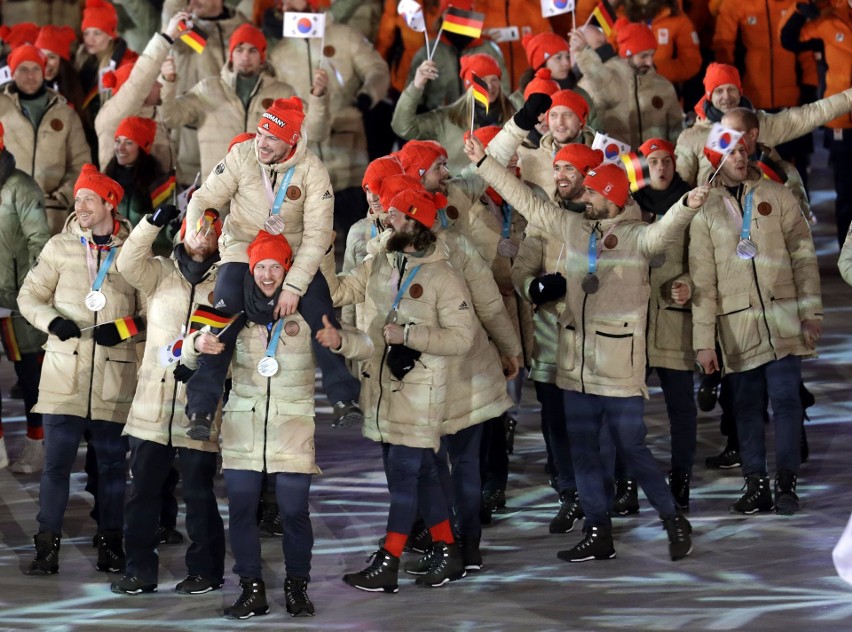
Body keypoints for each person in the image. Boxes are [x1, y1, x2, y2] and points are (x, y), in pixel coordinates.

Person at [465, 120, 700, 562]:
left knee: (633, 448)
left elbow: (667, 229)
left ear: (611, 198)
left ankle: (672, 519)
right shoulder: (574, 228)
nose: (584, 198)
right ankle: (598, 531)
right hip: (575, 367)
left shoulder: (636, 237)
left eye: (592, 194)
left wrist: (688, 202)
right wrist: (482, 162)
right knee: (584, 451)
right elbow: (526, 202)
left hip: (619, 369)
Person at [184, 230, 372, 617]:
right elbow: (186, 357)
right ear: (250, 270)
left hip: (292, 423)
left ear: (288, 270)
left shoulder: (305, 310)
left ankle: (297, 587)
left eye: (275, 267)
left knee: (293, 511)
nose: (267, 276)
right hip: (243, 425)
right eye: (260, 268)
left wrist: (341, 342)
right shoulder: (234, 312)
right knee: (241, 511)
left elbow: (364, 345)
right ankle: (251, 588)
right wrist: (195, 345)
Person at [183, 97, 361, 439]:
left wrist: (293, 287)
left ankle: (343, 400)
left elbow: (317, 237)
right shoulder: (241, 154)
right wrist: (194, 229)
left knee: (321, 309)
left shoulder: (313, 171)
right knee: (222, 310)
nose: (261, 143)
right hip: (242, 248)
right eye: (261, 133)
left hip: (292, 254)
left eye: (271, 138)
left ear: (291, 141)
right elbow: (203, 199)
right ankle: (201, 408)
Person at [325, 188, 475, 592]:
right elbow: (339, 291)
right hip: (384, 390)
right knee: (423, 472)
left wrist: (410, 334)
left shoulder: (443, 275)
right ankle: (448, 551)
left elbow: (463, 337)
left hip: (421, 392)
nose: (386, 219)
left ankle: (389, 560)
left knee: (405, 473)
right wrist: (322, 252)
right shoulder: (380, 262)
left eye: (394, 215)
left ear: (414, 222)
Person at [18, 164, 142, 575]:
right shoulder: (60, 246)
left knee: (110, 467)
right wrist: (52, 322)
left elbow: (153, 312)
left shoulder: (133, 253)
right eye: (77, 199)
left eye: (89, 198)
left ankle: (111, 543)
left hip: (114, 377)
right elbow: (29, 295)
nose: (80, 206)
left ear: (110, 203)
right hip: (63, 377)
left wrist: (124, 328)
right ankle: (46, 547)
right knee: (55, 466)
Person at [690, 140, 822, 516]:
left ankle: (786, 485)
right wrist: (704, 343)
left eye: (742, 151)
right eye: (730, 153)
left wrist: (812, 311)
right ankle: (755, 484)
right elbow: (702, 281)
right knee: (746, 408)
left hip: (783, 318)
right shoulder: (703, 210)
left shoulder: (775, 195)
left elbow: (804, 256)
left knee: (786, 401)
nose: (740, 157)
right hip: (737, 325)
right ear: (716, 159)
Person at [108, 204, 226, 596]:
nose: (202, 233)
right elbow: (127, 263)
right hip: (152, 404)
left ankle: (205, 571)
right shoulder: (159, 271)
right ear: (182, 232)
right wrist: (149, 223)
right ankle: (139, 570)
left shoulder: (226, 281)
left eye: (211, 229)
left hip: (199, 407)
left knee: (198, 493)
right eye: (196, 226)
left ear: (220, 237)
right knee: (143, 492)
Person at [511, 142, 603, 531]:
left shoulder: (607, 217)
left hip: (595, 342)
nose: (561, 175)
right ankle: (569, 493)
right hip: (550, 343)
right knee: (556, 423)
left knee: (595, 423)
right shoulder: (544, 218)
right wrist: (536, 288)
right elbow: (521, 269)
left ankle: (600, 492)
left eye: (570, 169)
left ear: (587, 176)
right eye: (558, 168)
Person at [268, 0, 390, 234]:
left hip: (350, 162)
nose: (285, 6)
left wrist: (367, 97)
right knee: (316, 247)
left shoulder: (346, 37)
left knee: (360, 238)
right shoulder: (278, 53)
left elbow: (377, 69)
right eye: (282, 3)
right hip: (305, 165)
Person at [161, 23, 329, 181]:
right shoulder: (207, 89)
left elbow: (314, 133)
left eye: (252, 50)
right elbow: (170, 118)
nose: (245, 57)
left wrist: (318, 96)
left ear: (262, 56)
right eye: (239, 50)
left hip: (264, 197)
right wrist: (168, 81)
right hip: (216, 196)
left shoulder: (282, 93)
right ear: (231, 54)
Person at [632, 137, 697, 511]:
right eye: (653, 161)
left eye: (666, 161)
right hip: (636, 324)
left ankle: (681, 478)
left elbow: (703, 257)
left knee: (681, 410)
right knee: (626, 411)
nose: (660, 167)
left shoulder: (691, 202)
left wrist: (688, 282)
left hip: (674, 321)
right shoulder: (627, 205)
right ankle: (626, 483)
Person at [675, 62, 852, 187]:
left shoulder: (761, 124)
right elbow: (679, 187)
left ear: (740, 92)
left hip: (761, 220)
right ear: (709, 96)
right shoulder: (692, 137)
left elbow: (811, 114)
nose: (726, 96)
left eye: (731, 89)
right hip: (712, 227)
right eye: (719, 91)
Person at [0, 122, 50, 473]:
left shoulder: (21, 186)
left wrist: (29, 292)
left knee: (30, 372)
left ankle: (38, 444)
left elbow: (39, 242)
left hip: (15, 299)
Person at [781, 0, 852, 246]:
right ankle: (849, 261)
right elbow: (788, 40)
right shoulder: (830, 18)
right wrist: (801, 9)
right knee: (847, 194)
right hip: (843, 121)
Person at [0, 44, 90, 235]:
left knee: (46, 265)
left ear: (43, 72)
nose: (30, 75)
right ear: (13, 73)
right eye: (23, 69)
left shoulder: (65, 113)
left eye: (35, 69)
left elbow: (81, 163)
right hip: (6, 211)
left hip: (51, 216)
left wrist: (62, 198)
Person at [94, 12, 190, 173]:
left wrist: (169, 79)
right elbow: (139, 81)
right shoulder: (113, 116)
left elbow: (170, 113)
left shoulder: (151, 115)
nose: (160, 85)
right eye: (154, 82)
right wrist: (166, 38)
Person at [392, 54, 514, 174]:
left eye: (494, 79)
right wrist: (416, 86)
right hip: (459, 191)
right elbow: (403, 127)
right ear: (469, 85)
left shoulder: (515, 114)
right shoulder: (447, 118)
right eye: (482, 80)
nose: (489, 86)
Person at [573, 21, 684, 148]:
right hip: (615, 162)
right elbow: (597, 76)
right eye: (644, 56)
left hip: (655, 163)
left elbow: (676, 131)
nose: (649, 61)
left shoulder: (663, 86)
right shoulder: (601, 81)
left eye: (652, 55)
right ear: (627, 54)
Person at [74, 0, 140, 154]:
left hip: (116, 140)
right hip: (89, 138)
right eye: (86, 33)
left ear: (111, 35)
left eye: (97, 33)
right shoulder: (82, 60)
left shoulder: (125, 63)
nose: (90, 39)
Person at [34, 25, 85, 114]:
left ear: (62, 61)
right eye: (40, 55)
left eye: (51, 57)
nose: (45, 62)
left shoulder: (73, 88)